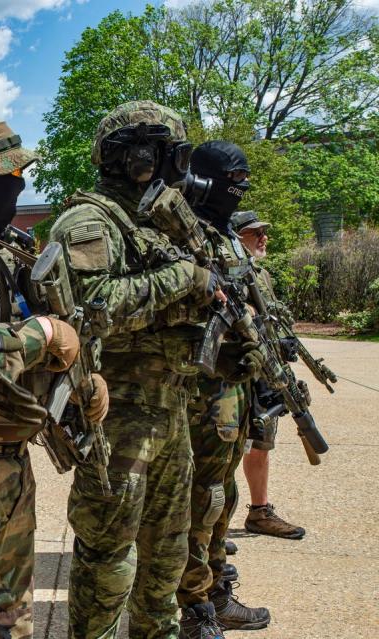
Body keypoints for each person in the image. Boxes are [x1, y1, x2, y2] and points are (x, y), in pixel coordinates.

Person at [0, 117, 109, 639]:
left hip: (8, 463)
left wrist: (81, 381)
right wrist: (44, 333)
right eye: (11, 176)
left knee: (10, 620)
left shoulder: (5, 248)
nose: (21, 186)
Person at [49, 101, 221, 639]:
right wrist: (185, 281)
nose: (177, 167)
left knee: (168, 553)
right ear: (139, 155)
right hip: (118, 416)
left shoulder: (161, 221)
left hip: (170, 408)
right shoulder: (89, 221)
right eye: (171, 153)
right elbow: (91, 307)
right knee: (108, 558)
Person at [175, 142, 270, 638]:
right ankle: (195, 605)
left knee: (222, 495)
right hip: (200, 391)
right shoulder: (184, 234)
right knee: (202, 498)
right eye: (233, 183)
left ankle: (215, 592)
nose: (239, 194)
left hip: (232, 388)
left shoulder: (226, 235)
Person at [232, 210, 307, 540]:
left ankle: (260, 512)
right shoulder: (227, 272)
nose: (263, 237)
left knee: (261, 441)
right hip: (237, 372)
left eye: (263, 231)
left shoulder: (259, 273)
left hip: (267, 369)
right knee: (224, 447)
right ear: (236, 237)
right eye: (255, 232)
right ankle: (208, 528)